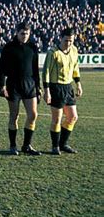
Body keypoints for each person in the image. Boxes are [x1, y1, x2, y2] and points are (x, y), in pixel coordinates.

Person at [0, 22, 41, 156]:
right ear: (17, 32)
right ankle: (12, 145)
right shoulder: (9, 47)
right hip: (13, 85)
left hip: (29, 85)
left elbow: (35, 70)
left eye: (27, 33)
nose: (25, 36)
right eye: (22, 33)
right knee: (14, 116)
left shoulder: (33, 47)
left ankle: (26, 145)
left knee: (33, 115)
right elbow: (1, 69)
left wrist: (38, 87)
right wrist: (2, 85)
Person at [42, 27, 83, 155]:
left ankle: (63, 144)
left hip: (68, 87)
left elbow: (75, 67)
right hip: (56, 87)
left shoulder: (74, 50)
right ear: (60, 38)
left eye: (71, 41)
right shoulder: (53, 52)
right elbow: (46, 72)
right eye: (66, 40)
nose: (68, 43)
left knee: (72, 117)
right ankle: (55, 146)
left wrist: (78, 84)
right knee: (57, 119)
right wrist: (47, 90)